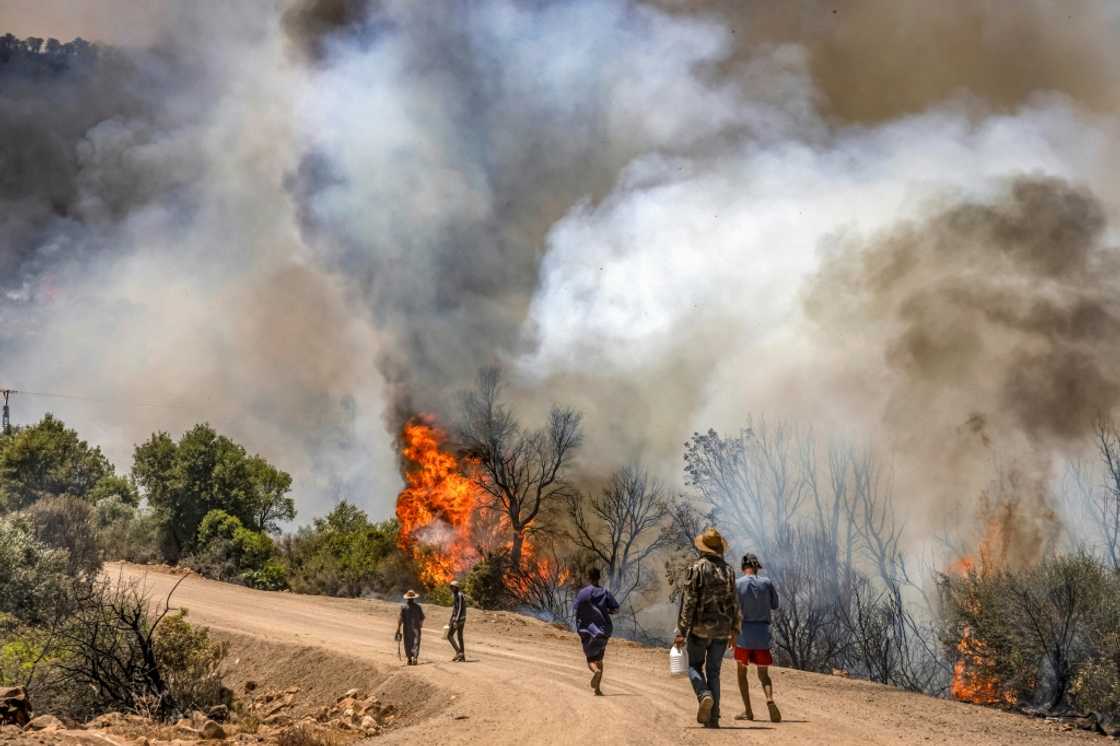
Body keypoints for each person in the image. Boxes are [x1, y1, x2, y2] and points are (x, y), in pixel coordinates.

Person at [674, 528, 740, 729]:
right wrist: (735, 631)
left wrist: (681, 632)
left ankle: (704, 694)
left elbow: (689, 603)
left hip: (699, 629)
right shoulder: (729, 571)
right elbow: (734, 603)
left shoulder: (696, 569)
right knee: (714, 673)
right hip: (722, 631)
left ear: (703, 548)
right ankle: (714, 718)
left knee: (694, 666)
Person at [733, 553, 781, 723]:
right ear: (757, 567)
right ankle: (769, 699)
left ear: (742, 567)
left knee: (741, 673)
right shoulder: (767, 583)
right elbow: (775, 605)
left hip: (744, 634)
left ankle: (748, 711)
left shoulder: (737, 584)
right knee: (763, 675)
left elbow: (733, 610)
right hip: (762, 634)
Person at [572, 567, 620, 696]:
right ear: (599, 577)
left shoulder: (583, 593)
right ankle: (597, 689)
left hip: (587, 630)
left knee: (590, 660)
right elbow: (616, 609)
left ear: (588, 577)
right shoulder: (605, 592)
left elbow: (576, 608)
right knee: (600, 658)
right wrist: (606, 610)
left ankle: (595, 672)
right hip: (604, 630)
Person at [395, 590, 425, 665]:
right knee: (416, 642)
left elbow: (400, 619)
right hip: (416, 628)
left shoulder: (404, 607)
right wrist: (420, 625)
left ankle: (409, 659)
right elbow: (422, 618)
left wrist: (398, 629)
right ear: (413, 598)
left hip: (407, 628)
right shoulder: (418, 607)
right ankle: (414, 658)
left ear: (407, 599)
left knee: (408, 642)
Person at [447, 580, 467, 662]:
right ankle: (462, 656)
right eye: (450, 587)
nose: (451, 588)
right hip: (459, 619)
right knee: (459, 637)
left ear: (456, 587)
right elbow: (455, 608)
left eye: (452, 587)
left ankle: (459, 652)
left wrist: (456, 620)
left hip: (459, 619)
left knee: (449, 635)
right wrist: (451, 618)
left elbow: (460, 608)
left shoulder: (459, 595)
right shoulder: (455, 595)